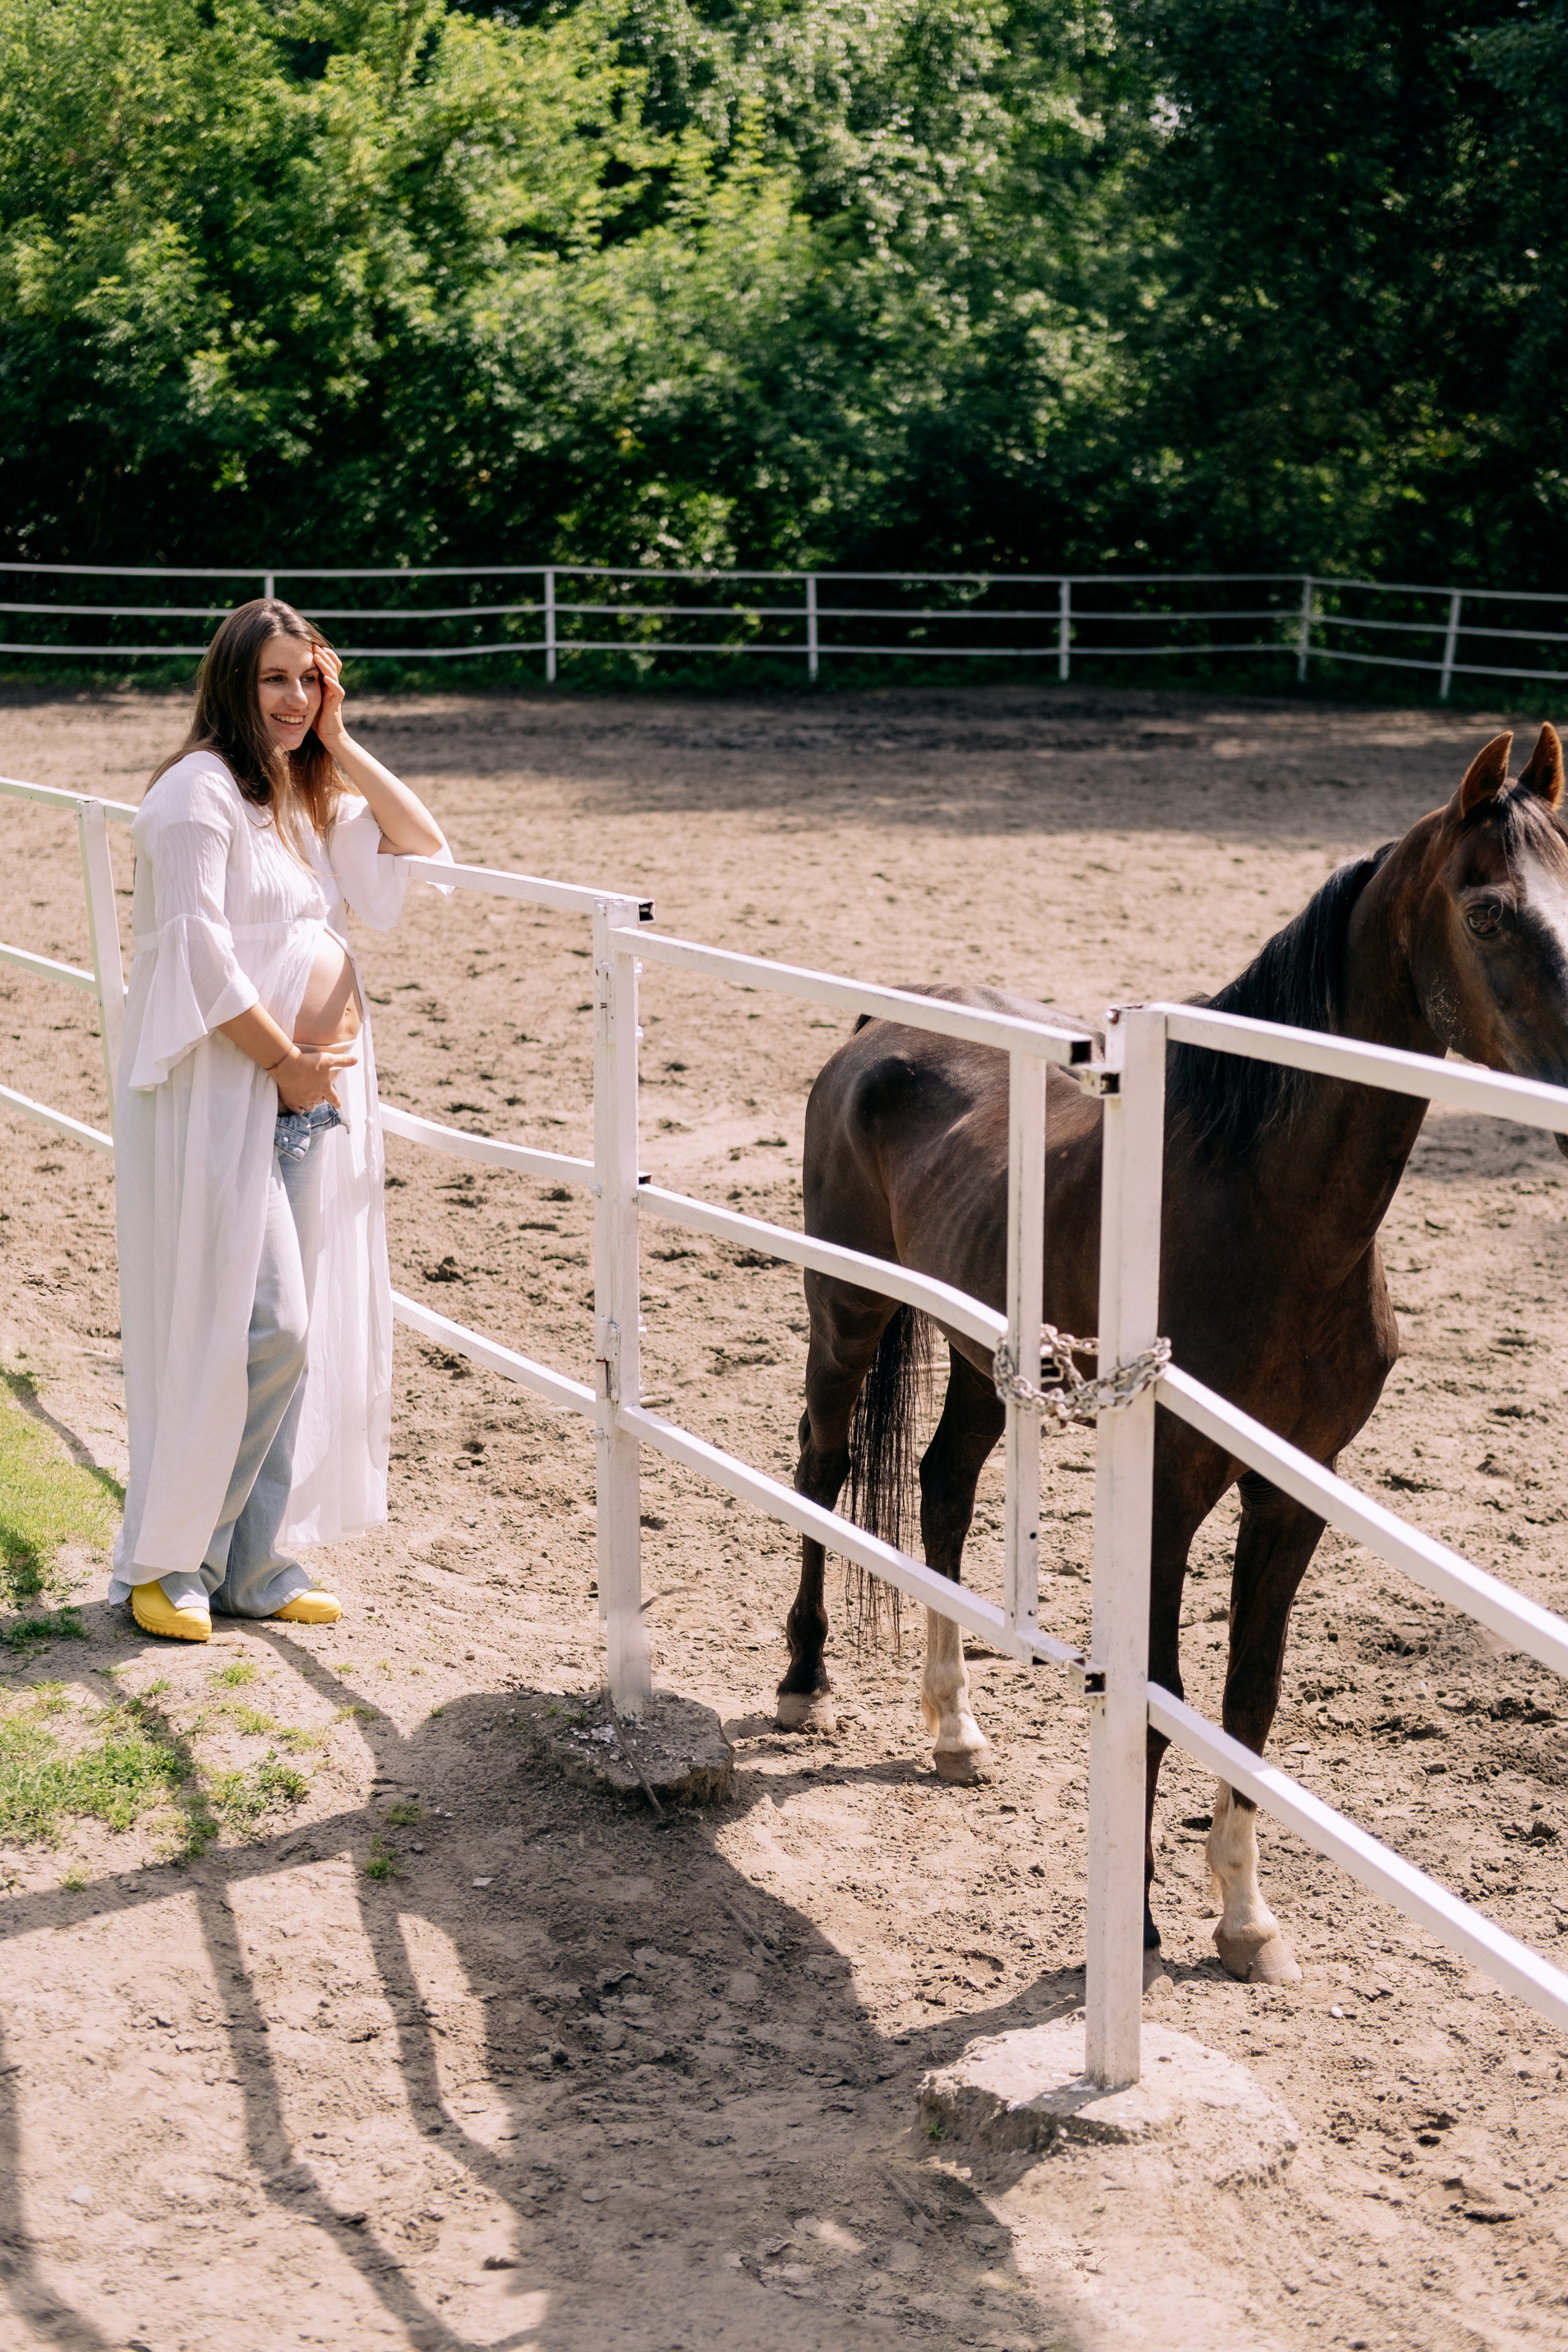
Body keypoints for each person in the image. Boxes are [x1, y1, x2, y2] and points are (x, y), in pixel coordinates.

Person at [110, 598, 451, 1642]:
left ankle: (255, 1563)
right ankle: (173, 1560)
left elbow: (420, 844)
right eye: (276, 681)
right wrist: (288, 1066)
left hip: (317, 1101)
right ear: (230, 685)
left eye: (311, 679)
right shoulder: (196, 796)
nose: (297, 699)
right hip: (236, 1092)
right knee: (266, 1326)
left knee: (300, 1336)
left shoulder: (305, 793)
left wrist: (341, 741)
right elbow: (198, 956)